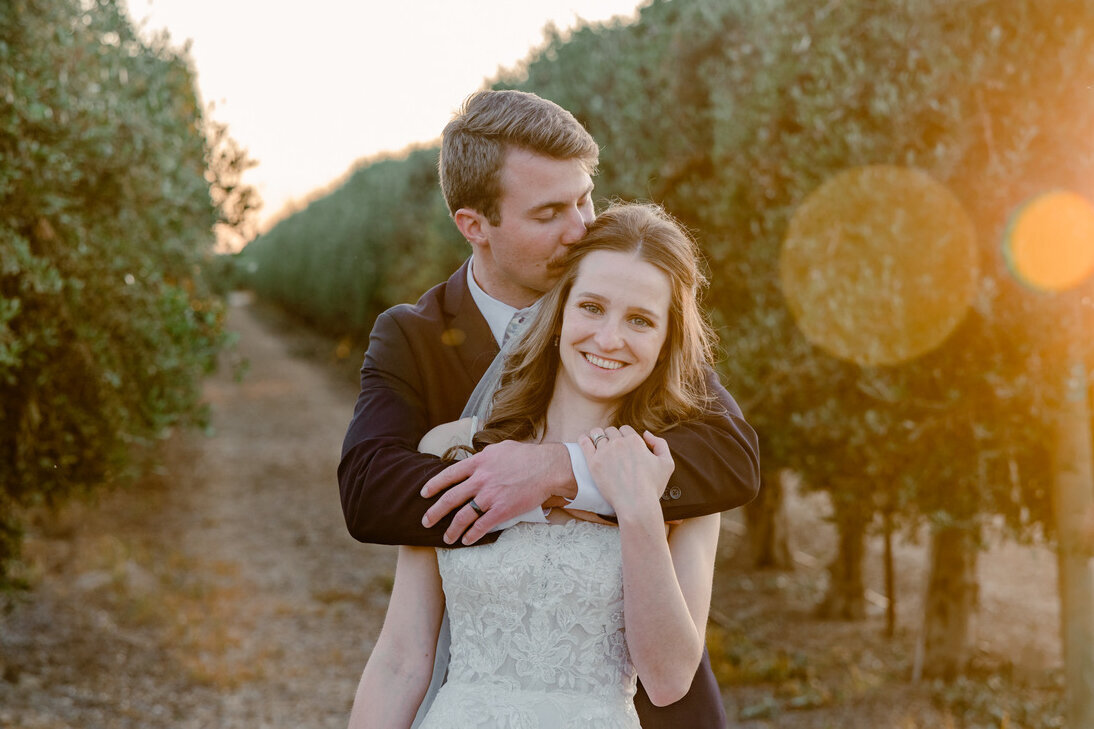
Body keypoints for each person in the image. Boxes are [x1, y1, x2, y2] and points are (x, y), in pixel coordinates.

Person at [338, 89, 760, 726]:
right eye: (550, 212)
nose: (581, 228)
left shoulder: (630, 306)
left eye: (585, 197)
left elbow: (733, 456)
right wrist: (510, 489)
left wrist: (566, 472)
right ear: (474, 225)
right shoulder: (414, 337)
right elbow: (370, 490)